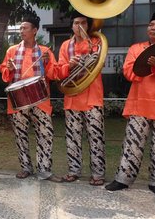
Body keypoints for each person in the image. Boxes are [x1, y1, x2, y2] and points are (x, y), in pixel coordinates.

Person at [105, 11, 155, 196]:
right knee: (132, 143)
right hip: (139, 103)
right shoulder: (136, 48)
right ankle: (123, 179)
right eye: (151, 25)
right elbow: (129, 72)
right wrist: (150, 66)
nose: (153, 28)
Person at [0, 18, 62, 182]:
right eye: (20, 28)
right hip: (18, 100)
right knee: (20, 135)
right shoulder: (12, 51)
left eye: (25, 28)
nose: (21, 31)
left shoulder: (44, 51)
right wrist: (9, 68)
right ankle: (26, 167)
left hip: (40, 100)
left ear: (35, 30)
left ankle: (45, 170)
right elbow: (4, 73)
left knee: (46, 133)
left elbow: (53, 74)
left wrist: (48, 63)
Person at [57, 11, 106, 186]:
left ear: (88, 25)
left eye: (83, 23)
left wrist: (87, 52)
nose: (79, 26)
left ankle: (98, 174)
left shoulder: (97, 41)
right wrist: (69, 65)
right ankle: (73, 171)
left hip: (92, 96)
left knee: (95, 137)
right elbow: (59, 69)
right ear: (72, 26)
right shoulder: (65, 45)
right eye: (76, 23)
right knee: (72, 137)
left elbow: (101, 63)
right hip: (72, 96)